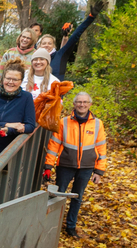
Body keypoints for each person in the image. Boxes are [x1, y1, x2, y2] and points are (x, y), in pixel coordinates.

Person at [44, 92, 108, 238]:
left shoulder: (98, 124)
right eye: (79, 102)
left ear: (90, 104)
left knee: (77, 197)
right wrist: (48, 165)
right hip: (65, 164)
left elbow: (101, 148)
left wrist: (99, 171)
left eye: (85, 102)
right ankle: (53, 224)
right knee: (58, 194)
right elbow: (54, 144)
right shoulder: (63, 122)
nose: (82, 104)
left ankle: (71, 226)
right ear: (74, 104)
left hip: (86, 167)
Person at [38, 2, 103, 80]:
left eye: (49, 43)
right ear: (39, 46)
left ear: (54, 46)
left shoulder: (60, 55)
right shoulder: (35, 59)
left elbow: (75, 36)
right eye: (44, 43)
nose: (46, 45)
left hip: (56, 90)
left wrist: (90, 17)